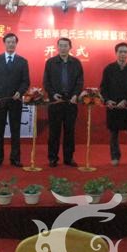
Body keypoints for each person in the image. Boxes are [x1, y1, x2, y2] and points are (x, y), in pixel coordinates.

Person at [0, 33, 30, 167]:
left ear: (16, 44)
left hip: (15, 101)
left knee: (15, 130)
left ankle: (15, 158)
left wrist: (20, 92)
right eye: (8, 42)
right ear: (4, 43)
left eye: (13, 42)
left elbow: (26, 81)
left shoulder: (22, 61)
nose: (11, 44)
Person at [43, 37, 84, 167]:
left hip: (71, 102)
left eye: (65, 46)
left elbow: (80, 82)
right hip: (55, 102)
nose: (63, 48)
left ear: (70, 47)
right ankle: (52, 158)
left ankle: (69, 158)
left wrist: (76, 95)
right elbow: (46, 82)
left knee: (69, 132)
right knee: (54, 132)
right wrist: (52, 94)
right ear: (57, 47)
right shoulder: (50, 62)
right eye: (60, 45)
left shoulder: (76, 63)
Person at [100, 42, 127, 166]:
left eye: (125, 52)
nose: (123, 54)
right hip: (113, 106)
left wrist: (126, 101)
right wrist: (107, 100)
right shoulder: (109, 69)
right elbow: (103, 88)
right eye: (120, 52)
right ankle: (115, 157)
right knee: (114, 134)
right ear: (116, 53)